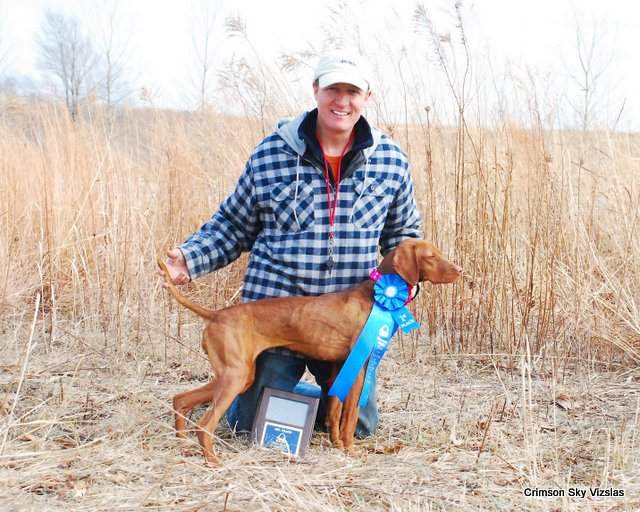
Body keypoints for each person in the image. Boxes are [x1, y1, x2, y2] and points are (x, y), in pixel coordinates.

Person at [162, 49, 422, 438]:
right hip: (276, 313)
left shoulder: (390, 160)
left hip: (343, 322)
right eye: (334, 88)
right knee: (248, 423)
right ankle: (271, 399)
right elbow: (234, 224)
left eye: (353, 91)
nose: (342, 100)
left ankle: (298, 403)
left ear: (367, 98)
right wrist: (190, 257)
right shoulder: (271, 153)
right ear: (316, 89)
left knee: (361, 426)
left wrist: (406, 284)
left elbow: (403, 238)